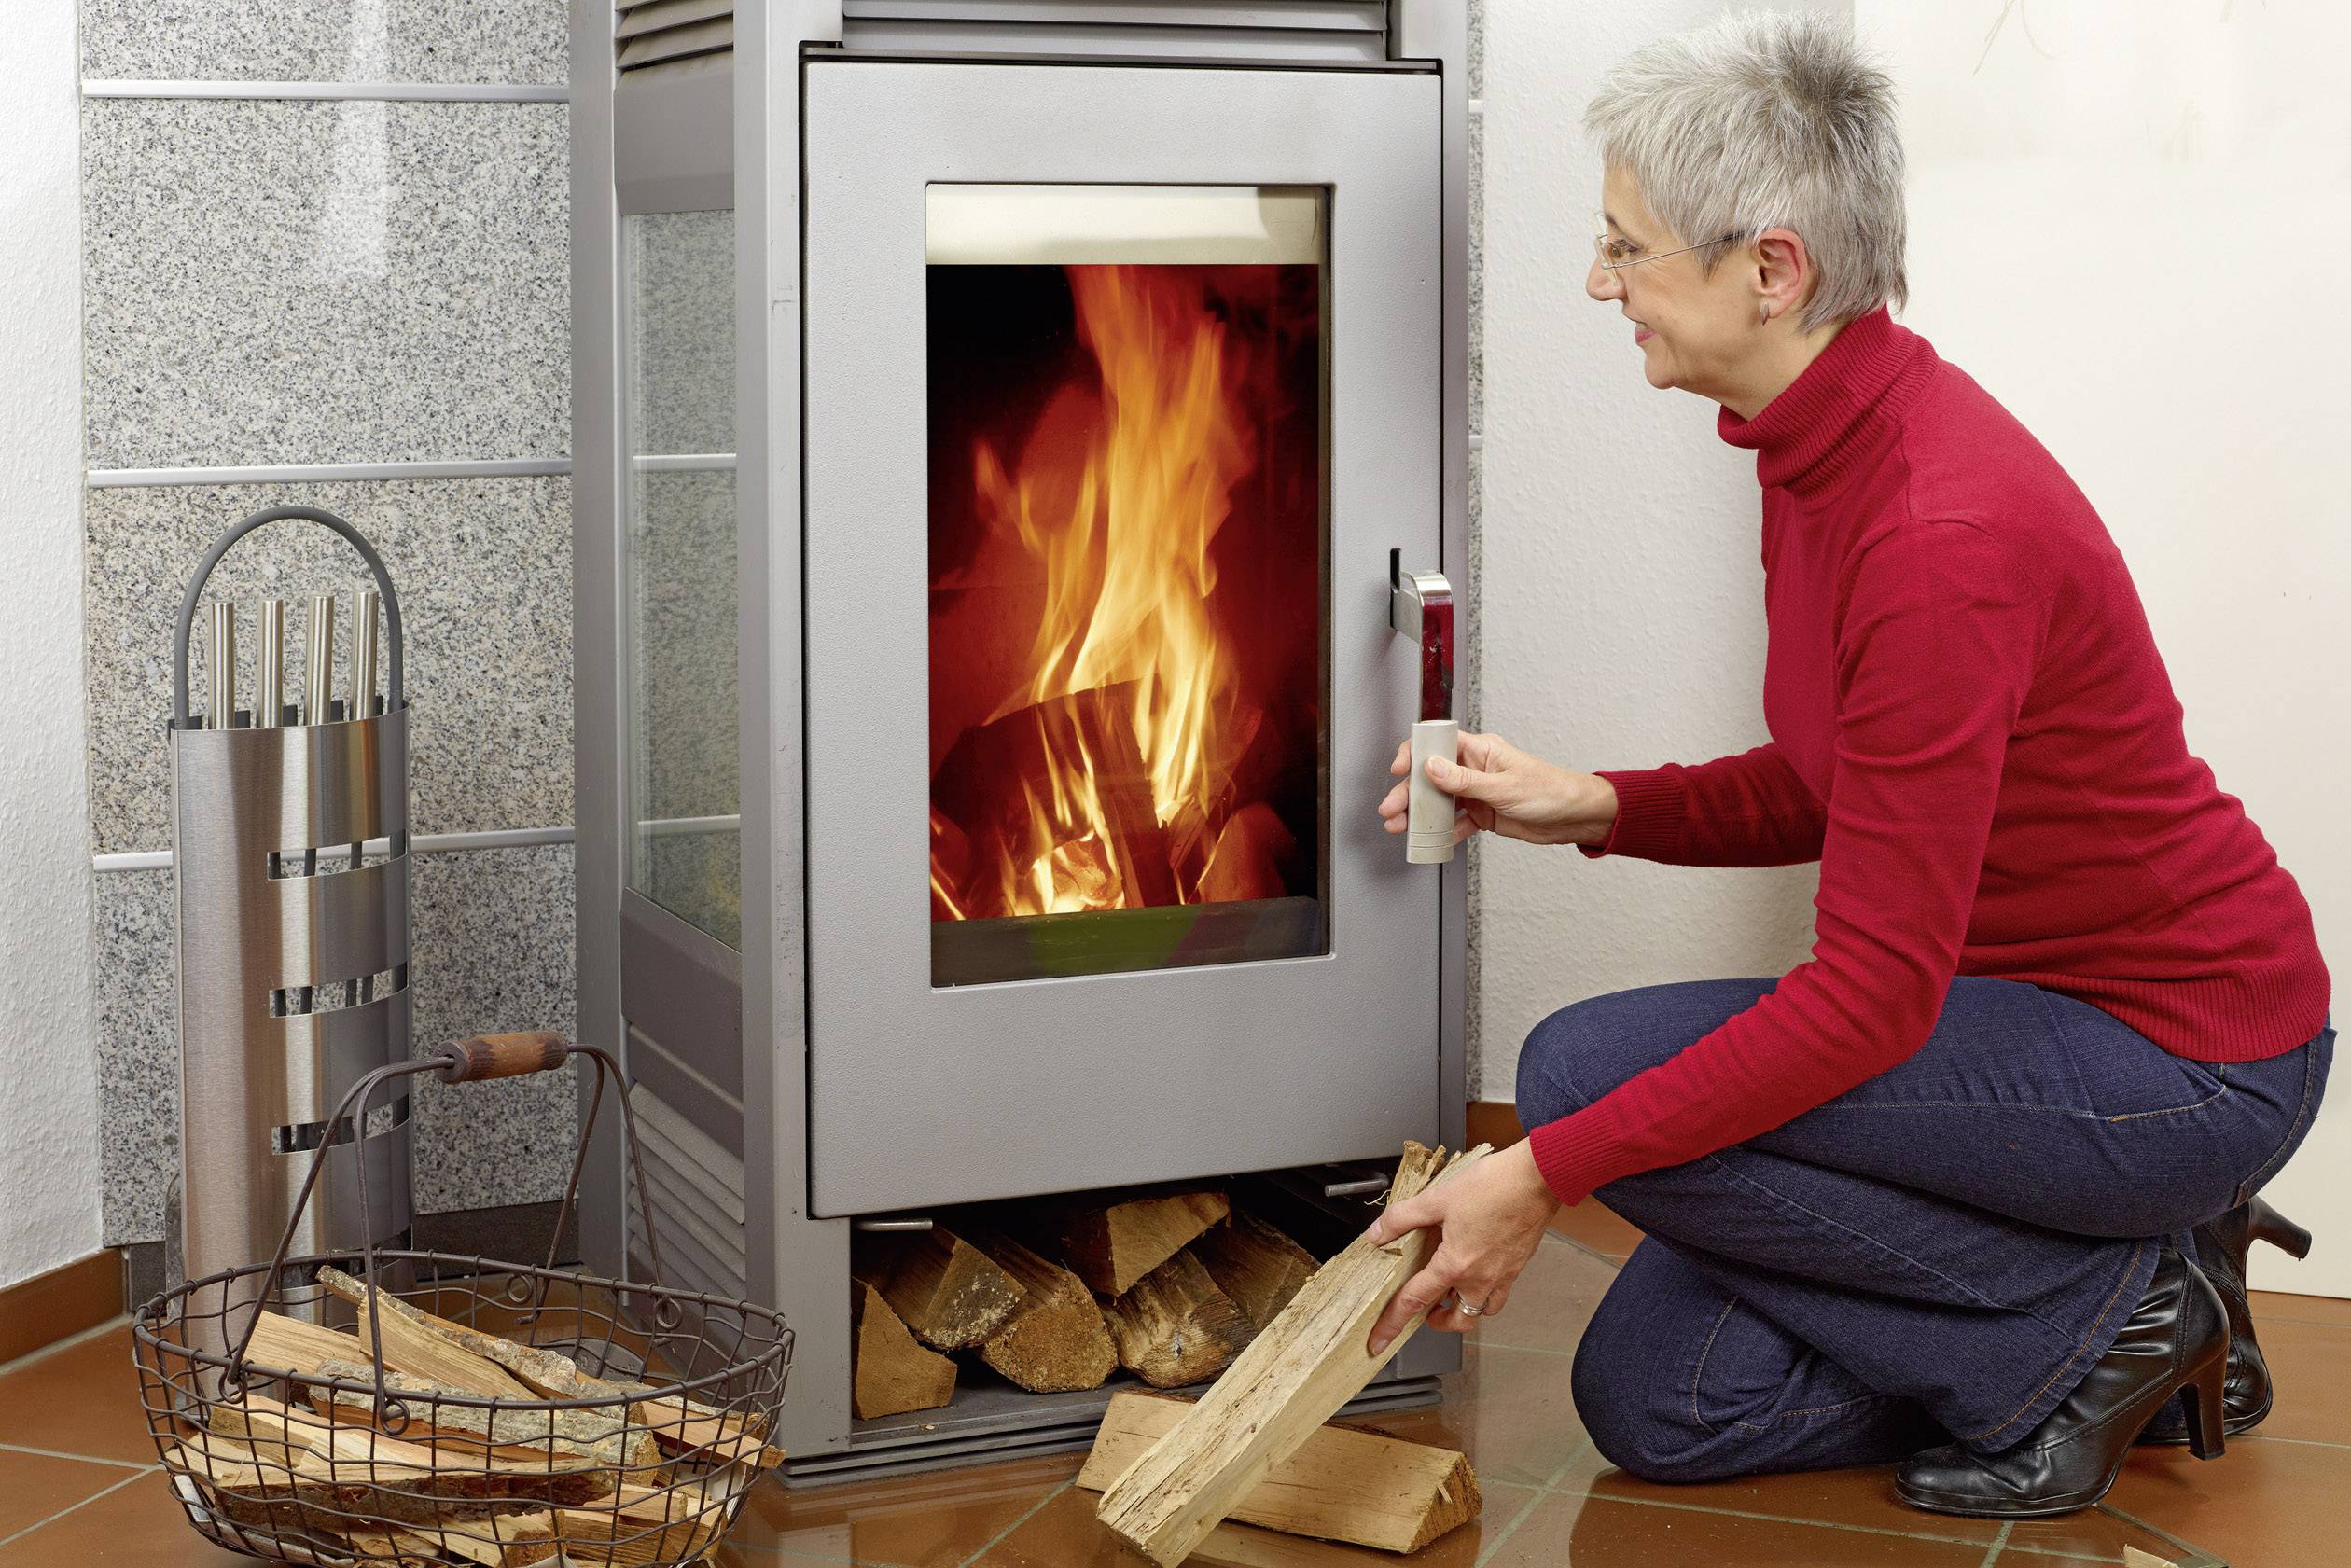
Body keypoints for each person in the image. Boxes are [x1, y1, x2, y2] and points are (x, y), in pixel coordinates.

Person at [1367, 11, 2332, 1519]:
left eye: (1627, 247)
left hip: (2176, 1057)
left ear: (1771, 267)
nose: (1597, 280)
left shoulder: (1931, 532)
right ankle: (2118, 1293)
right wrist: (1602, 806)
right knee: (1659, 1403)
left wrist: (1541, 1168)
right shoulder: (1812, 443)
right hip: (2015, 1025)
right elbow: (1848, 776)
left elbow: (1872, 997)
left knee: (1572, 1075)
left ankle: (2131, 1313)